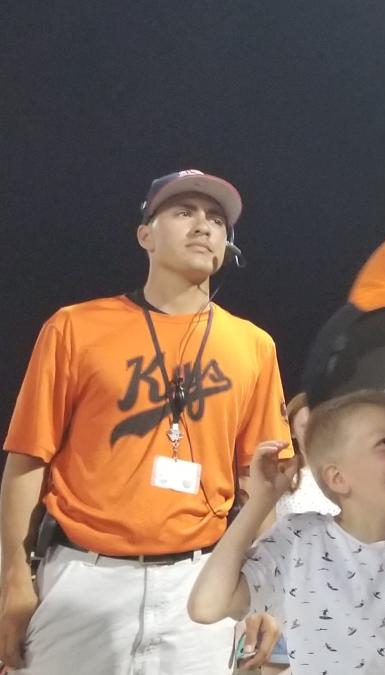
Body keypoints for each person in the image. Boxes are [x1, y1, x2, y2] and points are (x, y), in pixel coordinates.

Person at [0, 169, 289, 674]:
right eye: (184, 212)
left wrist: (262, 596)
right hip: (84, 578)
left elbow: (259, 482)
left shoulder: (254, 346)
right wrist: (13, 578)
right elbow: (27, 459)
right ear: (145, 236)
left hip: (200, 585)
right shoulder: (75, 327)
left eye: (217, 220)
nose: (204, 226)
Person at [189, 390, 385, 674]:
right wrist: (260, 503)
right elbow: (206, 606)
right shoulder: (299, 540)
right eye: (384, 442)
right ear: (337, 478)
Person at [261, 392, 340, 675]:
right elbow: (264, 543)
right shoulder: (285, 480)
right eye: (306, 427)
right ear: (293, 431)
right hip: (287, 609)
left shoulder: (352, 480)